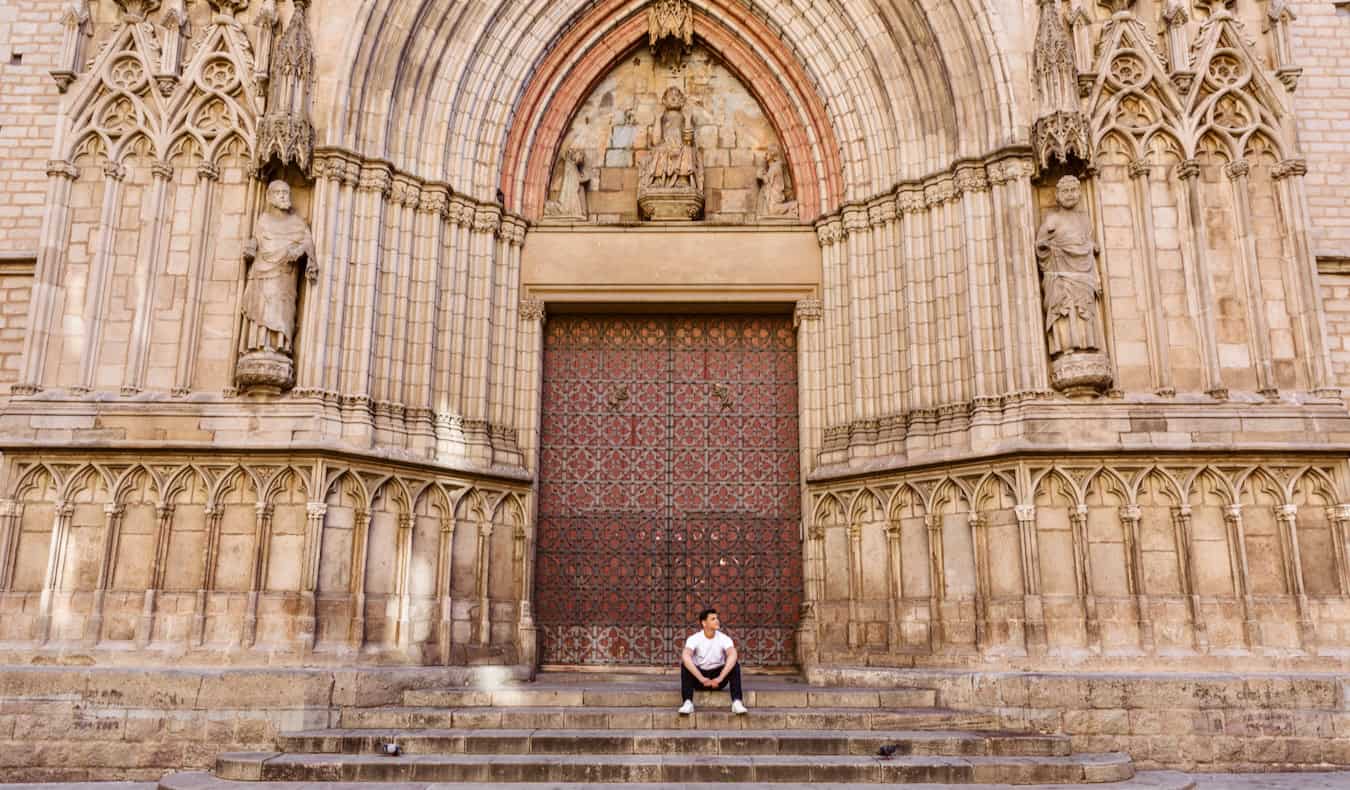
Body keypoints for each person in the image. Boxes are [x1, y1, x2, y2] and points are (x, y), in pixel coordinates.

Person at [678, 607, 747, 715]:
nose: (717, 621)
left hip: (718, 679)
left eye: (717, 618)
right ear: (704, 623)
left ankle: (737, 702)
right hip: (699, 679)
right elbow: (686, 655)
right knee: (685, 664)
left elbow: (732, 654)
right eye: (713, 619)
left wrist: (720, 678)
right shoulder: (694, 638)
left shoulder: (724, 638)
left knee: (735, 664)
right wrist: (701, 679)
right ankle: (687, 702)